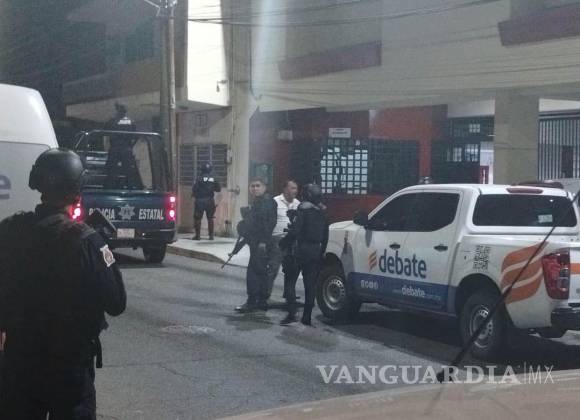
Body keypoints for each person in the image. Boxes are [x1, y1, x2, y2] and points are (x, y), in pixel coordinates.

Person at [0, 148, 126, 419]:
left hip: (19, 361)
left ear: (37, 182)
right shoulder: (86, 240)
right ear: (77, 190)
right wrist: (103, 248)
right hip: (69, 367)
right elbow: (116, 303)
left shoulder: (9, 231)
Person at [280, 183, 329, 326]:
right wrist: (321, 252)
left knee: (290, 282)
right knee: (310, 285)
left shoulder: (303, 210)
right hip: (315, 251)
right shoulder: (323, 213)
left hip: (300, 250)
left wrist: (284, 243)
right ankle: (306, 317)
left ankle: (291, 314)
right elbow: (326, 236)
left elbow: (295, 231)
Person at [235, 178, 277, 313]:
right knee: (261, 271)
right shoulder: (259, 201)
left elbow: (268, 224)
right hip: (256, 241)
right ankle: (261, 301)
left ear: (264, 187)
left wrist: (263, 241)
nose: (255, 188)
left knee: (253, 272)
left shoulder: (266, 202)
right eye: (252, 186)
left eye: (258, 186)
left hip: (261, 242)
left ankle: (253, 301)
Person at [266, 180, 300, 300]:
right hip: (277, 239)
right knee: (273, 267)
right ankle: (265, 294)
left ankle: (289, 294)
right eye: (292, 188)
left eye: (296, 188)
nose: (295, 191)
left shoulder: (297, 203)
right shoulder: (275, 201)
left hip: (292, 240)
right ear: (285, 189)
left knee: (291, 268)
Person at [192, 163, 221, 240]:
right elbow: (218, 189)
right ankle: (211, 236)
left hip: (200, 200)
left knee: (198, 218)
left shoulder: (199, 178)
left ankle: (198, 236)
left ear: (202, 169)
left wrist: (195, 194)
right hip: (210, 200)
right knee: (210, 218)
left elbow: (194, 189)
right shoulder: (214, 178)